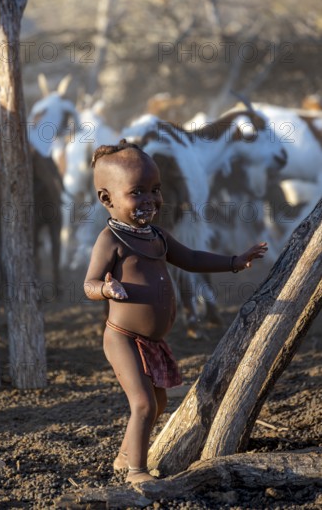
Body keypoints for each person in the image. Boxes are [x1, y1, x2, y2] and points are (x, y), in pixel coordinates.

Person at [84, 140, 268, 484]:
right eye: (137, 192)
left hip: (150, 341)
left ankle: (125, 457)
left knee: (158, 401)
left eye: (155, 190)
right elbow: (89, 283)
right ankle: (138, 472)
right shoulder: (111, 241)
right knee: (143, 405)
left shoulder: (156, 236)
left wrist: (234, 262)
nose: (151, 200)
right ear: (107, 199)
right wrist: (105, 289)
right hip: (122, 338)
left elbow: (192, 259)